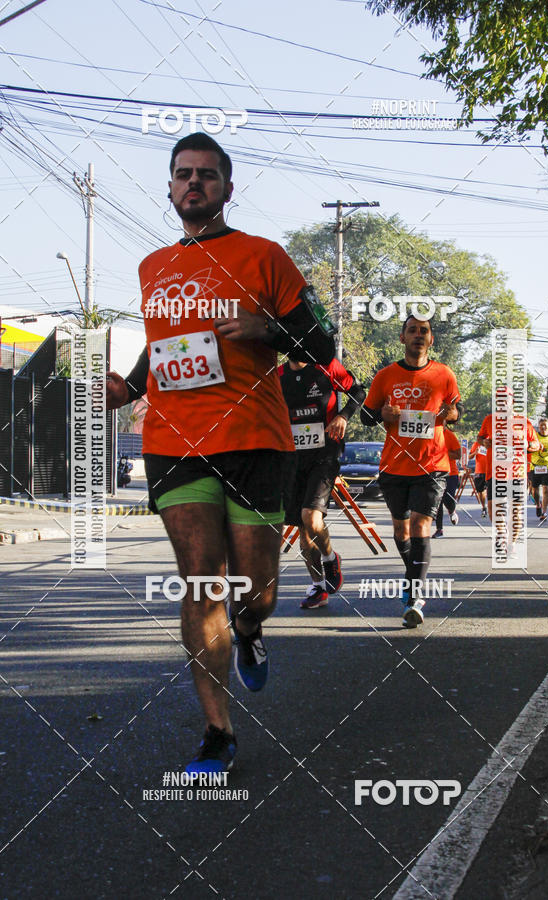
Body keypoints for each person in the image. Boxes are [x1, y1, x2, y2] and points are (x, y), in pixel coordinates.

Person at [106, 132, 336, 774]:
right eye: (183, 174)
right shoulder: (154, 266)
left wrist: (270, 329)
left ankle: (253, 631)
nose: (194, 184)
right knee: (202, 578)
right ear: (171, 188)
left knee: (256, 591)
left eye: (207, 175)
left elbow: (322, 343)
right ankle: (217, 732)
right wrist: (129, 386)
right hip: (175, 442)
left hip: (256, 440)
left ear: (227, 189)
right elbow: (163, 348)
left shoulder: (266, 257)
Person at [360, 315, 460, 628]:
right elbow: (365, 415)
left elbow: (456, 409)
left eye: (424, 331)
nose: (418, 335)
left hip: (432, 464)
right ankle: (412, 576)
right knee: (401, 531)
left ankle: (415, 595)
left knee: (420, 524)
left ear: (431, 339)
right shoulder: (386, 375)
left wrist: (451, 413)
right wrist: (381, 413)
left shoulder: (444, 374)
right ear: (402, 337)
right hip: (394, 465)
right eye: (412, 330)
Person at [280, 354, 365, 608]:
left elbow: (359, 392)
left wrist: (343, 416)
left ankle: (330, 558)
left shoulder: (327, 367)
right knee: (305, 534)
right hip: (293, 460)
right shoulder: (277, 376)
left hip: (325, 455)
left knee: (311, 517)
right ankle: (318, 587)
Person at [478, 391, 540, 551]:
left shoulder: (523, 422)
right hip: (495, 472)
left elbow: (536, 444)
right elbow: (480, 438)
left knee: (516, 510)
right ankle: (501, 533)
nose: (502, 402)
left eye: (505, 399)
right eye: (499, 399)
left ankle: (512, 543)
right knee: (493, 508)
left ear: (512, 401)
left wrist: (527, 445)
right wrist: (484, 442)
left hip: (517, 472)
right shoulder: (489, 420)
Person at [432, 405, 462, 538]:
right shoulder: (429, 434)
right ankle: (439, 529)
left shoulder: (449, 436)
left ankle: (452, 510)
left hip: (451, 473)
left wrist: (442, 454)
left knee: (448, 499)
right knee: (437, 500)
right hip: (435, 472)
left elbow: (458, 454)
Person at [530, 416, 548, 522]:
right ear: (539, 427)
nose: (543, 427)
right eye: (541, 425)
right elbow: (528, 448)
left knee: (546, 490)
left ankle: (544, 512)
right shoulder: (534, 437)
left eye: (545, 425)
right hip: (535, 466)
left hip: (547, 467)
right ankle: (538, 505)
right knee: (534, 490)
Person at [468, 439, 488, 515]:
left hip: (490, 471)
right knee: (480, 491)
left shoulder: (492, 443)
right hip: (479, 471)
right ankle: (483, 507)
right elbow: (469, 457)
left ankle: (491, 507)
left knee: (491, 490)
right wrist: (475, 453)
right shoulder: (476, 444)